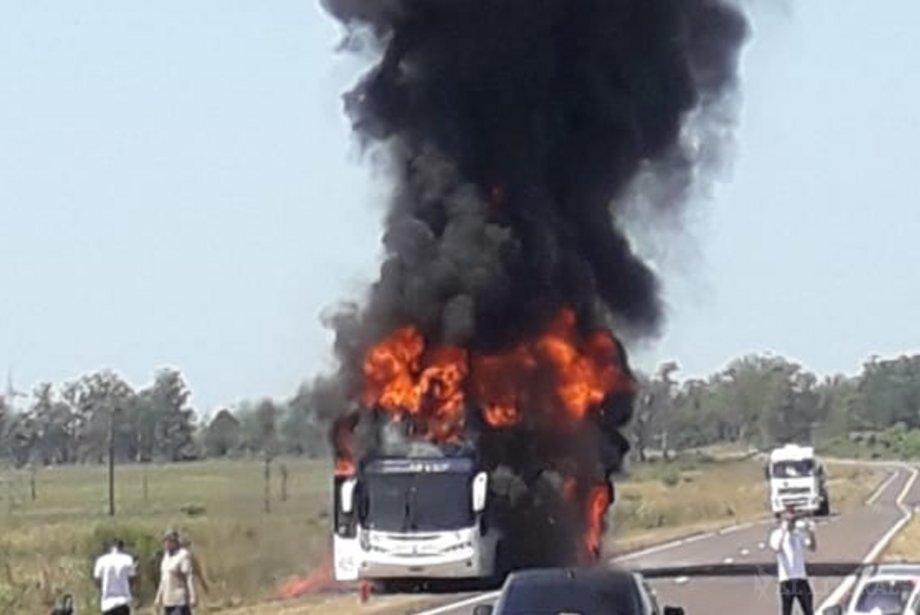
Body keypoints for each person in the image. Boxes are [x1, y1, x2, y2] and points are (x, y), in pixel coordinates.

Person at [769, 505, 817, 615]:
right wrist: (784, 532)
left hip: (801, 577)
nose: (792, 522)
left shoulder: (798, 534)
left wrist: (811, 533)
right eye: (789, 519)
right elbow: (778, 548)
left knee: (808, 609)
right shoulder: (776, 534)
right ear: (782, 519)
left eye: (793, 519)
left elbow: (812, 547)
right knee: (787, 610)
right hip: (787, 579)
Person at [154, 530, 197, 615]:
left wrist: (193, 596)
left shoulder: (183, 555)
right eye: (165, 541)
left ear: (176, 542)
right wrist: (158, 597)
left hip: (179, 600)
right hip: (167, 601)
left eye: (170, 541)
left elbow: (188, 577)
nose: (167, 543)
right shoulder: (166, 557)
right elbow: (163, 580)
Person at [92, 539, 136, 615]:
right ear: (122, 547)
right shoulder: (128, 559)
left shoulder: (101, 560)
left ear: (110, 548)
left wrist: (102, 589)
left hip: (107, 602)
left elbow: (97, 579)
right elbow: (132, 579)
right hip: (123, 601)